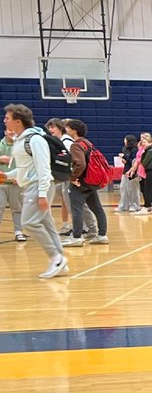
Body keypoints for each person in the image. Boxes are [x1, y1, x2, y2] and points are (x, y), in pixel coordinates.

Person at [3, 104, 67, 278]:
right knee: (47, 223)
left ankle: (56, 258)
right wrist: (7, 175)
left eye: (7, 118)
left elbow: (43, 168)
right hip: (31, 185)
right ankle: (60, 259)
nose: (4, 121)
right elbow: (25, 169)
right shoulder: (20, 140)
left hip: (39, 185)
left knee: (29, 222)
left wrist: (42, 194)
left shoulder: (35, 139)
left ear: (17, 121)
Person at [61, 119, 109, 246]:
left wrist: (72, 177)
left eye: (67, 127)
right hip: (91, 182)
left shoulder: (76, 145)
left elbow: (80, 164)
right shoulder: (88, 143)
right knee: (97, 208)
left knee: (76, 209)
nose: (66, 130)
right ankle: (102, 235)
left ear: (74, 130)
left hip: (81, 182)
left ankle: (77, 237)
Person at [0, 126, 26, 241]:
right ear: (5, 132)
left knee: (17, 208)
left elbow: (26, 163)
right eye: (10, 130)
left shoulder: (21, 146)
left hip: (16, 183)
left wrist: (21, 177)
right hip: (1, 183)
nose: (12, 132)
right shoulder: (1, 145)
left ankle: (18, 232)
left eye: (14, 130)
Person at [131, 132, 152, 215]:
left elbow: (144, 162)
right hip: (150, 172)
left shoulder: (150, 151)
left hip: (150, 172)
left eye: (145, 142)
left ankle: (146, 207)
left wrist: (140, 159)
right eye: (142, 142)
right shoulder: (148, 150)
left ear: (150, 142)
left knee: (147, 190)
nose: (143, 143)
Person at [116, 134, 142, 212]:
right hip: (125, 171)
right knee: (123, 188)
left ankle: (135, 205)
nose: (124, 141)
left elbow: (133, 162)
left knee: (133, 189)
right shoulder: (125, 149)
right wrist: (123, 160)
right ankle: (123, 205)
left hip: (133, 172)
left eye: (125, 139)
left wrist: (124, 157)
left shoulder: (135, 150)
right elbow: (127, 161)